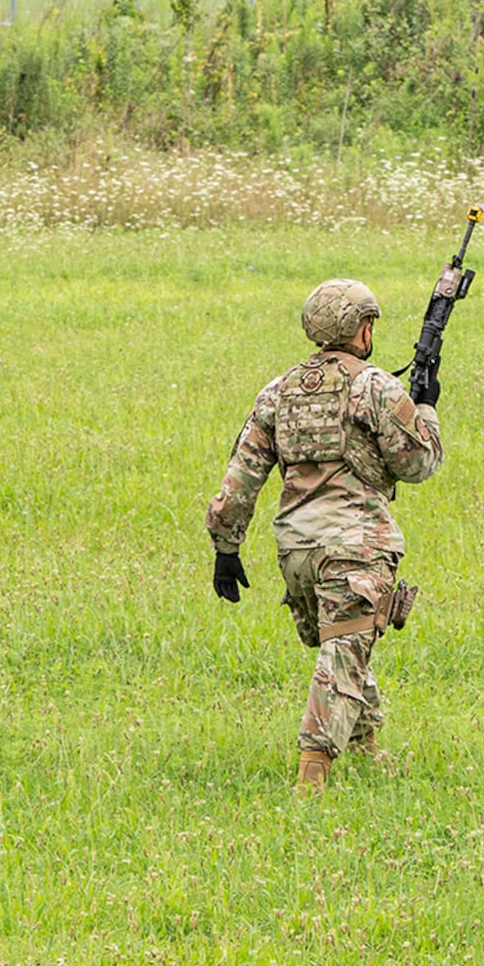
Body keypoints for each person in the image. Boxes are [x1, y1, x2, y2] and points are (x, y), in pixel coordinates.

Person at [205, 278, 444, 793]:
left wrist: (226, 548)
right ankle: (312, 778)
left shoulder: (279, 391)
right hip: (355, 549)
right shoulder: (375, 387)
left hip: (297, 554)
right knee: (343, 653)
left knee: (345, 642)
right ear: (361, 328)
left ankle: (366, 749)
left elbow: (240, 479)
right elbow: (418, 463)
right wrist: (425, 408)